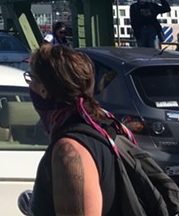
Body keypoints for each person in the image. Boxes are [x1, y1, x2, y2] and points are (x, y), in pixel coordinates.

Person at [27, 43, 139, 216]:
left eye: (30, 79)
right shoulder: (107, 127)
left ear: (43, 90)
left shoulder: (69, 150)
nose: (29, 86)